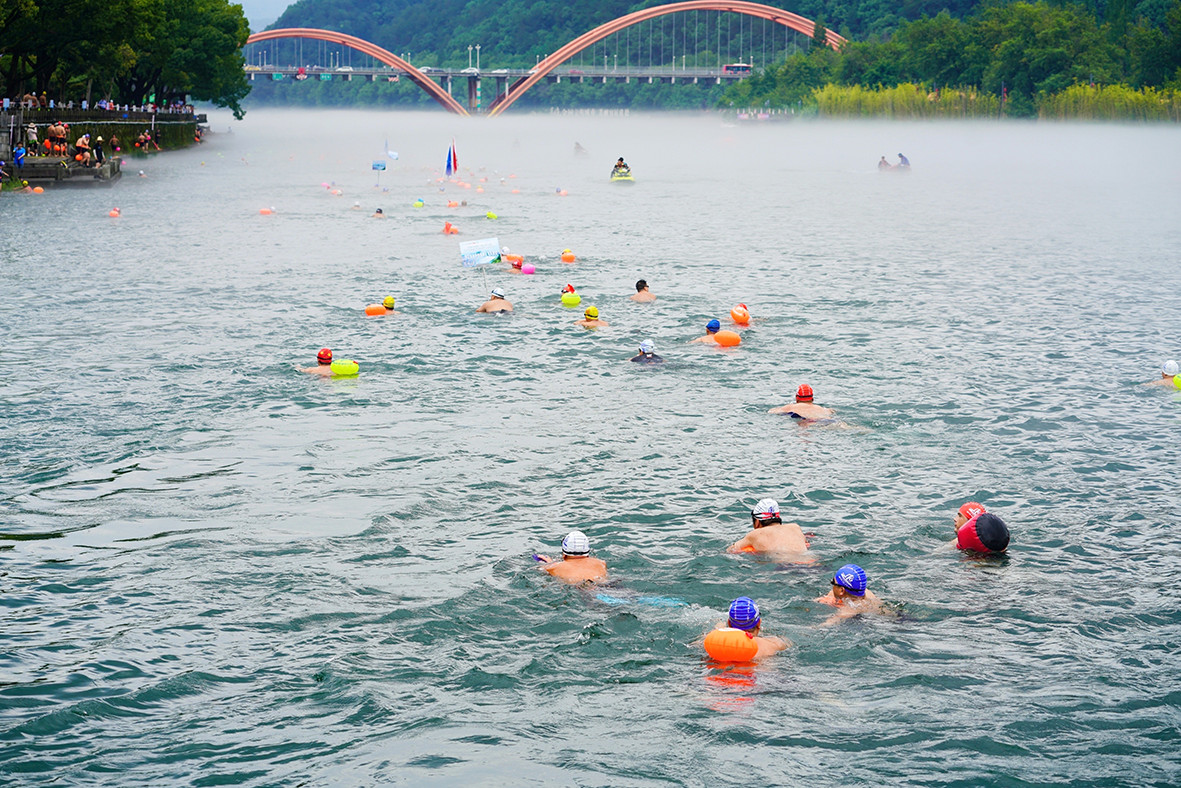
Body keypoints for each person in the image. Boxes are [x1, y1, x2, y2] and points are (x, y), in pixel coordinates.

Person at [727, 499, 811, 562]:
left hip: (787, 567)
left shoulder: (755, 534)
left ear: (757, 522)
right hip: (812, 564)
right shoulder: (795, 527)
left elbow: (731, 550)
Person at [714, 597, 788, 659]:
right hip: (763, 675)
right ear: (759, 623)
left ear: (729, 623)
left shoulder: (715, 644)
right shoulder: (775, 644)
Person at [814, 564, 884, 622]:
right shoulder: (864, 593)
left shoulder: (847, 611)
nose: (832, 585)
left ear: (841, 590)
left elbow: (827, 625)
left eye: (833, 582)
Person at [535, 530, 608, 585]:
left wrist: (549, 563)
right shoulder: (601, 563)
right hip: (608, 586)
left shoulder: (552, 568)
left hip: (584, 592)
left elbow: (541, 569)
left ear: (564, 554)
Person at [769, 384, 836, 421]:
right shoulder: (823, 409)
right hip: (825, 421)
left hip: (805, 420)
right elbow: (832, 412)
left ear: (797, 398)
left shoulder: (790, 407)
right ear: (812, 398)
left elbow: (771, 411)